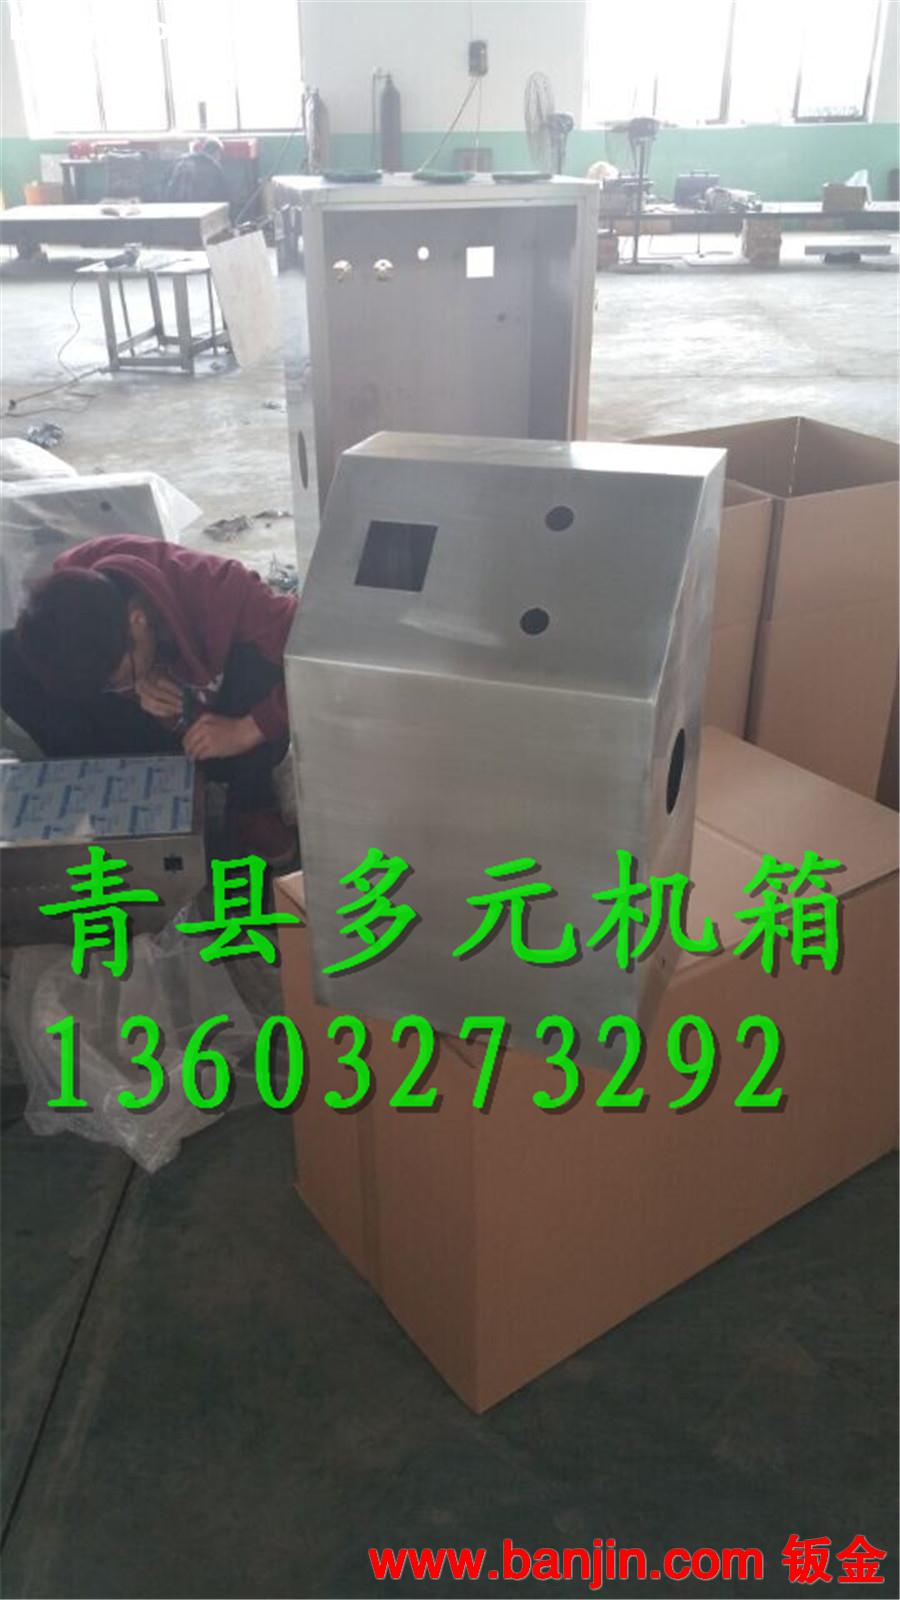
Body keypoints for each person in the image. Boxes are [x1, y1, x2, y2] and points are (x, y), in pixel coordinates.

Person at [2, 535, 298, 865]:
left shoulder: (219, 589)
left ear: (138, 620)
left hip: (225, 725)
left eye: (114, 681)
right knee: (7, 658)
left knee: (260, 663)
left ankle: (250, 804)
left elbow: (317, 651)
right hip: (162, 724)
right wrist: (137, 684)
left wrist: (249, 728)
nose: (115, 689)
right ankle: (109, 786)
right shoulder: (69, 589)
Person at [166, 137, 230, 204]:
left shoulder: (180, 160)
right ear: (217, 153)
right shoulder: (214, 167)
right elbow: (221, 194)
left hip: (174, 204)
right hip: (199, 206)